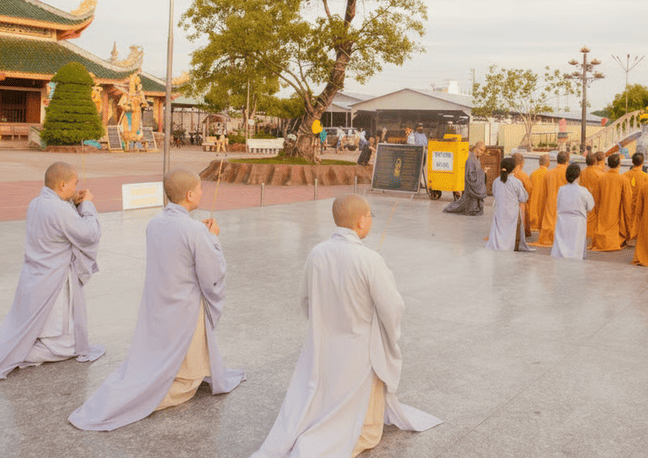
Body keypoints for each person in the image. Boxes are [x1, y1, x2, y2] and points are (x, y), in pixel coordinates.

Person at [251, 195, 442, 457]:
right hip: (360, 347)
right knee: (364, 426)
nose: (371, 222)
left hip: (324, 342)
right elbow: (392, 306)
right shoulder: (369, 260)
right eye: (370, 217)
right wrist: (387, 333)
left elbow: (305, 299)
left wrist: (323, 324)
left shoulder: (317, 252)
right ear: (361, 221)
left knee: (323, 393)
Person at [69, 170, 244, 431]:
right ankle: (138, 400)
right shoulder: (195, 230)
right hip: (185, 309)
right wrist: (213, 239)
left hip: (159, 304)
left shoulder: (156, 222)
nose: (201, 193)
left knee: (159, 356)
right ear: (189, 194)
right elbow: (212, 274)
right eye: (199, 189)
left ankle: (148, 383)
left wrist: (203, 236)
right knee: (189, 383)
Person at [0, 162, 104, 380]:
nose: (76, 188)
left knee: (34, 329)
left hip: (35, 277)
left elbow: (60, 221)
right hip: (53, 282)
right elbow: (89, 234)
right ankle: (15, 354)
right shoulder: (59, 209)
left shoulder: (36, 204)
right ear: (62, 184)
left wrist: (73, 204)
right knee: (67, 345)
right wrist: (87, 205)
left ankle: (8, 350)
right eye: (74, 184)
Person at [486, 157, 532, 252]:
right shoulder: (516, 182)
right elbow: (523, 197)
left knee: (500, 229)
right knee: (516, 227)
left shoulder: (496, 181)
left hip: (500, 212)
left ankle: (500, 244)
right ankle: (514, 245)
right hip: (512, 213)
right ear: (513, 169)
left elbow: (495, 194)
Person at [551, 164, 595, 259]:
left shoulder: (561, 190)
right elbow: (590, 206)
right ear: (578, 176)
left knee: (562, 244)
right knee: (575, 246)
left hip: (562, 220)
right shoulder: (582, 191)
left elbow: (558, 204)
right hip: (577, 222)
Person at [589, 153, 632, 252]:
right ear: (619, 164)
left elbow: (595, 200)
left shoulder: (601, 179)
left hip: (603, 214)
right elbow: (627, 203)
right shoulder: (623, 180)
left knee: (602, 226)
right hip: (616, 216)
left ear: (608, 164)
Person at [534, 151, 571, 247]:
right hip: (565, 203)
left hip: (550, 203)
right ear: (567, 160)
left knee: (550, 222)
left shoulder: (549, 173)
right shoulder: (568, 173)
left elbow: (544, 192)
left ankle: (549, 237)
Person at [444, 141, 487, 216]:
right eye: (481, 149)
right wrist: (482, 174)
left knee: (466, 203)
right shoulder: (470, 160)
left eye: (483, 150)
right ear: (476, 148)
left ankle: (473, 208)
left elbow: (476, 172)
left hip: (473, 185)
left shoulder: (477, 158)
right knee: (463, 204)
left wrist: (482, 172)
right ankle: (451, 208)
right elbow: (470, 176)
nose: (482, 152)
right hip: (470, 186)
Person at [622, 152, 648, 244]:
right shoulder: (647, 177)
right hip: (640, 204)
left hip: (627, 204)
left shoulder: (624, 175)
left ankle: (628, 235)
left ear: (632, 162)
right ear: (642, 163)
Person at [578, 153, 605, 246]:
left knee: (585, 219)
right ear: (595, 161)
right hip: (594, 200)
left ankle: (584, 237)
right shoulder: (600, 173)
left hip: (584, 200)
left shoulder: (582, 172)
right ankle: (591, 239)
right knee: (593, 220)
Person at [511, 153, 534, 237]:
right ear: (521, 163)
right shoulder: (522, 175)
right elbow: (529, 189)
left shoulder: (507, 175)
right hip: (520, 204)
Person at [528, 154, 550, 232]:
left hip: (534, 203)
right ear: (548, 162)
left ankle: (534, 224)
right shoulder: (549, 174)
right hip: (545, 202)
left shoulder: (533, 173)